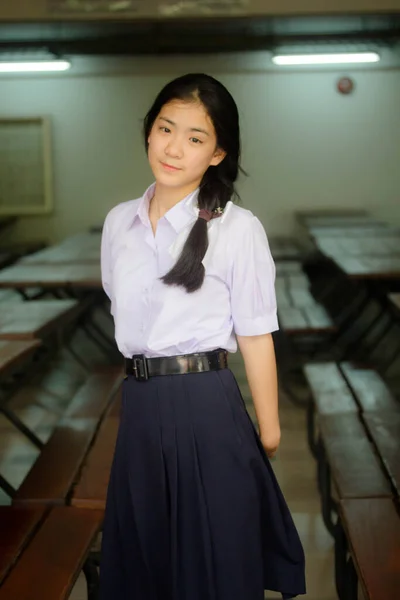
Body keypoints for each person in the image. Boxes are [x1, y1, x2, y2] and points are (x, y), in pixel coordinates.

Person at [99, 73, 306, 600]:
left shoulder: (237, 229)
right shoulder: (118, 223)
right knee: (146, 555)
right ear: (148, 131)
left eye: (195, 138)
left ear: (217, 154)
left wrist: (270, 427)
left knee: (214, 558)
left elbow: (256, 334)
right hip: (140, 402)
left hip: (206, 403)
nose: (174, 148)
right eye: (166, 129)